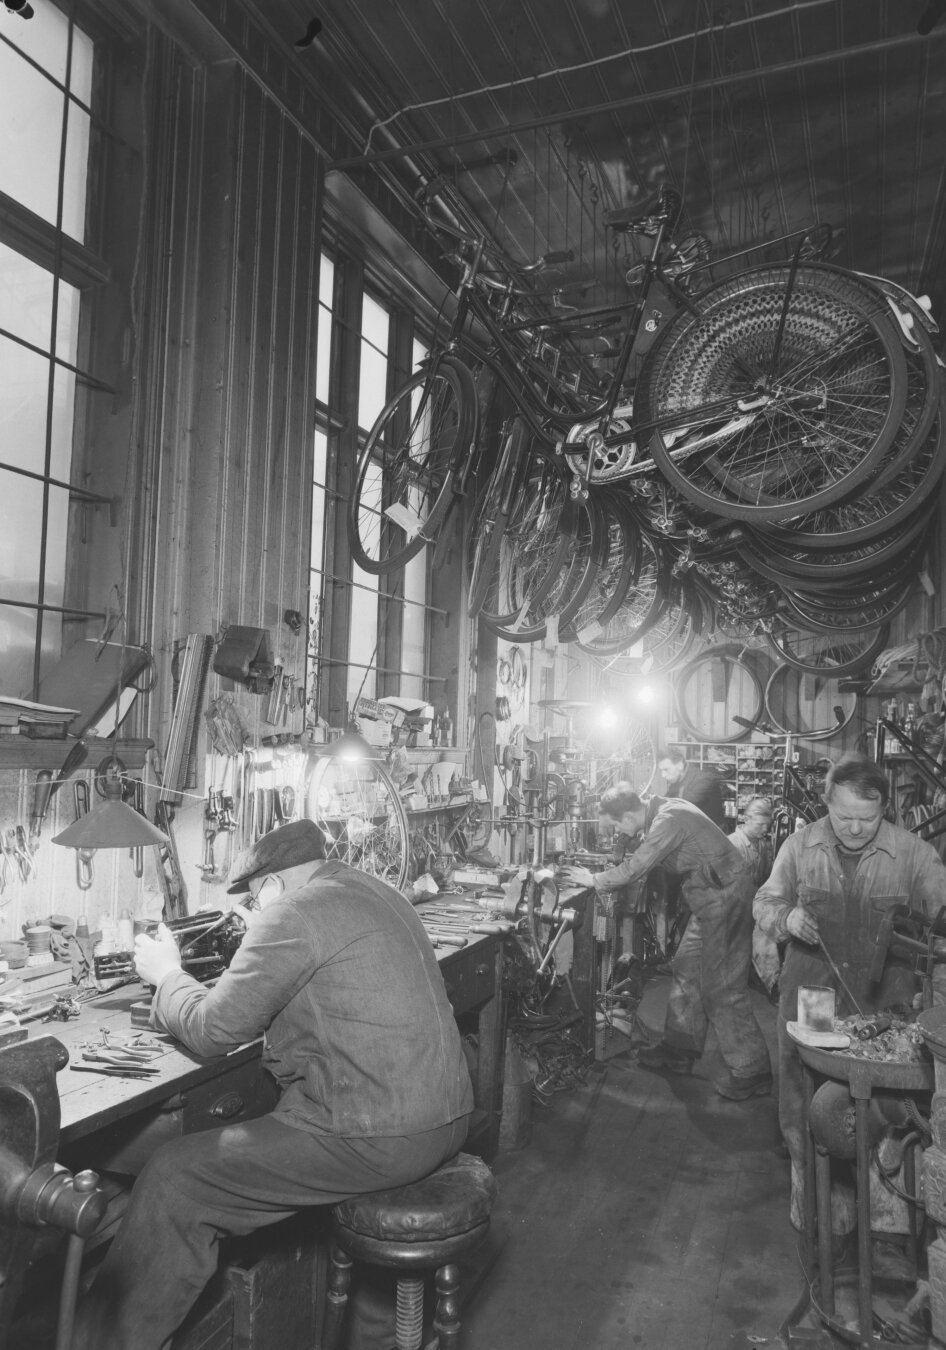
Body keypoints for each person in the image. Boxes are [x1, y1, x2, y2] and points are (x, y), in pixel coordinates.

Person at [73, 819, 474, 1350]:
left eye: (257, 900)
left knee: (175, 1177)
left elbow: (214, 1031)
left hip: (381, 1137)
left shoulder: (292, 911)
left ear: (271, 886)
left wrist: (168, 973)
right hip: (447, 1117)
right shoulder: (379, 890)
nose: (258, 910)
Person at [753, 754, 946, 1251]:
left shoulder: (914, 855)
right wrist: (787, 919)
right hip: (812, 996)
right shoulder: (800, 845)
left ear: (885, 807)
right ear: (827, 804)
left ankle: (881, 1215)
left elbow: (942, 923)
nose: (856, 828)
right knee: (802, 1097)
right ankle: (811, 1196)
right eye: (844, 817)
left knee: (882, 1112)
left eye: (868, 817)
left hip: (886, 1005)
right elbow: (765, 901)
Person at [570, 783, 771, 1100]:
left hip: (726, 896)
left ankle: (752, 1070)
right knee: (687, 969)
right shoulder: (659, 809)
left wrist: (594, 880)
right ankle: (679, 1048)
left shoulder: (668, 819)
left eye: (618, 826)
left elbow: (637, 868)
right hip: (707, 896)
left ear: (627, 814)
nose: (619, 833)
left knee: (721, 985)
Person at [657, 746, 728, 830]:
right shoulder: (676, 780)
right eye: (661, 770)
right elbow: (665, 801)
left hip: (711, 835)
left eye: (666, 769)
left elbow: (681, 808)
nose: (663, 775)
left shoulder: (703, 780)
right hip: (694, 830)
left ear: (680, 765)